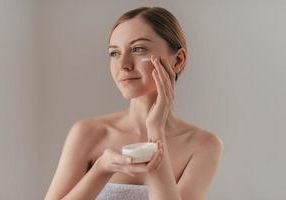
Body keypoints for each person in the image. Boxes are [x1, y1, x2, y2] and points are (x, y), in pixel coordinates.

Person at [44, 6, 224, 200]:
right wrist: (101, 168)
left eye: (138, 49)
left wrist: (155, 131)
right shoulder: (89, 132)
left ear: (178, 60)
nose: (124, 65)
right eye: (114, 53)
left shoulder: (203, 145)